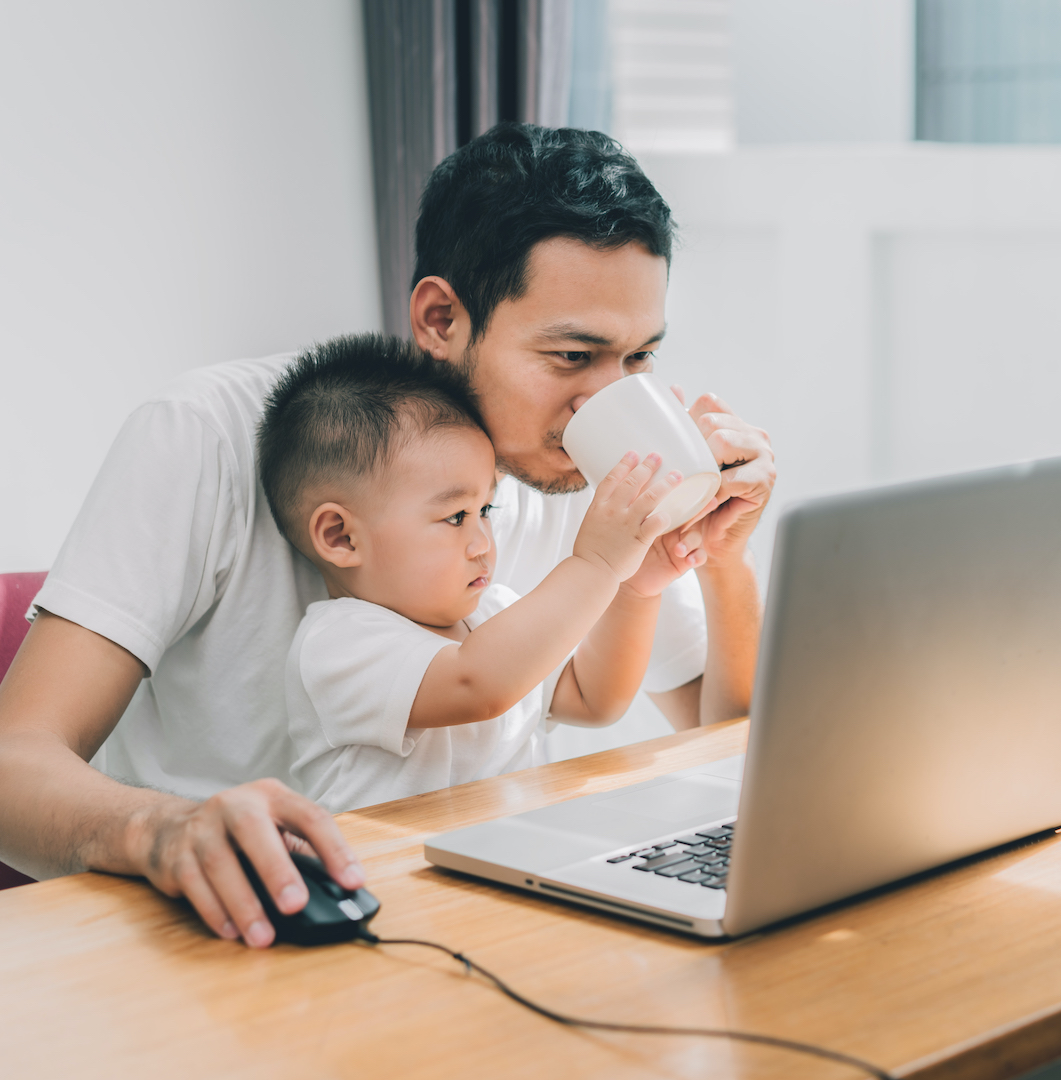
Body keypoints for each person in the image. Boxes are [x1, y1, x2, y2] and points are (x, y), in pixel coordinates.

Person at [0, 123, 774, 948]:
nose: (607, 400)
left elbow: (726, 742)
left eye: (640, 358)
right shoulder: (210, 433)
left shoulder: (577, 474)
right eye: (573, 355)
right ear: (440, 318)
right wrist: (164, 830)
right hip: (212, 941)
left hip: (463, 919)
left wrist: (723, 561)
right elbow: (15, 766)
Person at [260, 335, 701, 812]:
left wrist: (633, 587)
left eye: (485, 508)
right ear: (342, 537)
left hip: (500, 862)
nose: (483, 542)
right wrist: (595, 564)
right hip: (386, 880)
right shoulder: (338, 644)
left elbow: (594, 700)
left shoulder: (497, 612)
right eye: (455, 517)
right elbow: (478, 684)